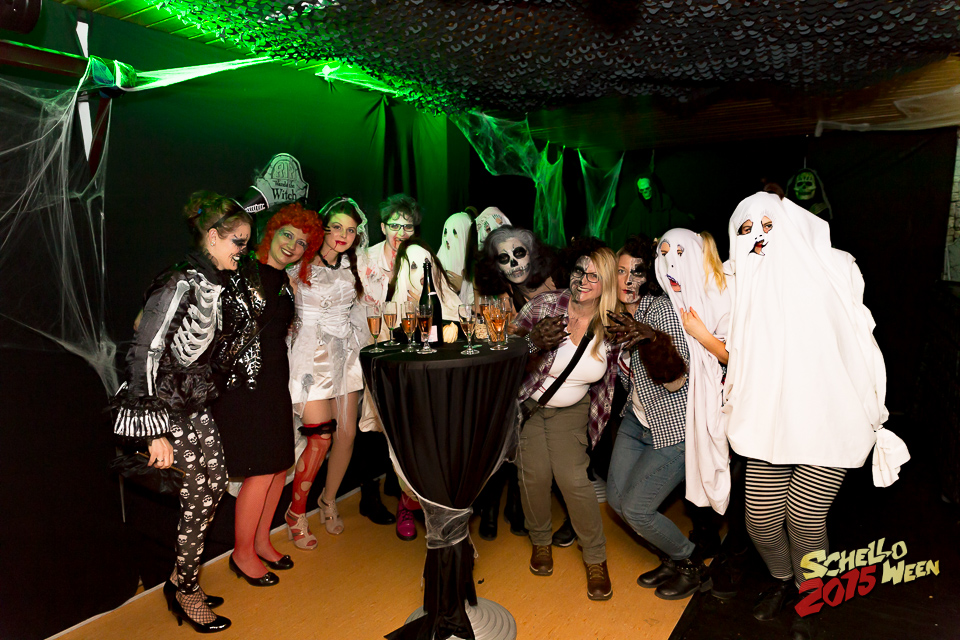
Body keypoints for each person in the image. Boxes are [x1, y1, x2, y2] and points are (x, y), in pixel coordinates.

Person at [722, 192, 908, 638]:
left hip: (831, 419)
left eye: (769, 225)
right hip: (769, 421)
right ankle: (782, 579)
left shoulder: (834, 267)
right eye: (746, 230)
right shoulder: (738, 283)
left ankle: (810, 591)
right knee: (760, 520)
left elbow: (862, 341)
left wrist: (874, 409)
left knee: (805, 519)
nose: (758, 237)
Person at [113, 191, 252, 632]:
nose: (242, 251)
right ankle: (186, 588)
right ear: (212, 237)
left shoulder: (211, 281)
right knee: (195, 495)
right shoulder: (178, 282)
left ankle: (179, 578)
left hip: (194, 402)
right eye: (238, 242)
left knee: (214, 485)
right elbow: (143, 351)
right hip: (168, 409)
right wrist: (152, 429)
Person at [209, 203, 323, 583]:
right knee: (259, 471)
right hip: (243, 388)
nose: (292, 245)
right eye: (287, 234)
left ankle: (260, 541)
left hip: (275, 383)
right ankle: (241, 553)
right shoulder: (240, 272)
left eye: (302, 242)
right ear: (271, 233)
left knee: (278, 466)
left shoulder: (287, 284)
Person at [604, 228, 714, 601]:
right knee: (616, 501)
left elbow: (678, 380)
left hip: (673, 428)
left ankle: (691, 564)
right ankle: (671, 556)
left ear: (648, 276)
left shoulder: (662, 309)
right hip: (636, 422)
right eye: (621, 271)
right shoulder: (616, 315)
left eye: (636, 271)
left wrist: (652, 339)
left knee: (637, 509)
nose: (627, 280)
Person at [513, 245, 622, 601]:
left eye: (594, 276)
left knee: (574, 480)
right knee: (533, 476)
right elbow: (505, 350)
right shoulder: (544, 306)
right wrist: (532, 343)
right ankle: (540, 541)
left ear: (606, 283)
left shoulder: (614, 325)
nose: (583, 280)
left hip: (573, 409)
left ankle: (595, 558)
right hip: (530, 404)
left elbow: (626, 372)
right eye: (579, 271)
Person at [285, 196, 370, 546]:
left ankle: (328, 500)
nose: (343, 235)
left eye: (350, 230)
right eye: (336, 227)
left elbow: (361, 311)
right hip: (309, 359)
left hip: (344, 357)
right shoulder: (298, 263)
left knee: (346, 436)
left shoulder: (354, 267)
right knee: (319, 439)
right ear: (323, 228)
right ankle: (296, 512)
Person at [436, 208, 479, 304]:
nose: (447, 239)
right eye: (445, 232)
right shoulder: (435, 267)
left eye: (455, 232)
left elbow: (485, 307)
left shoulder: (480, 270)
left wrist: (464, 288)